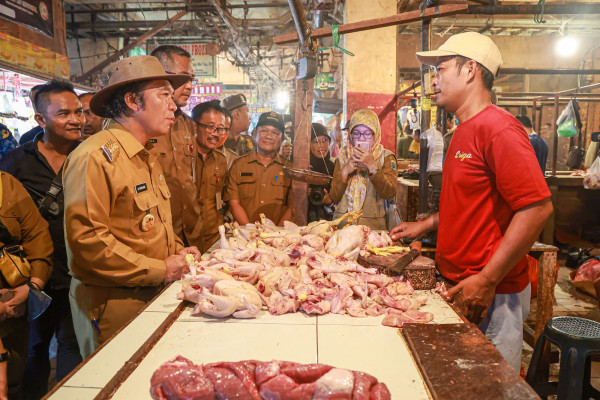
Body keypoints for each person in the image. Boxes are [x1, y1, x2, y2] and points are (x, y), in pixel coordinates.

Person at [391, 32, 553, 371]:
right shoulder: (462, 130)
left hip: (493, 293)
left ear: (469, 70)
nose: (433, 80)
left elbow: (537, 209)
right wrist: (427, 223)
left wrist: (488, 279)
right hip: (463, 284)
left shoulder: (499, 129)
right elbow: (471, 203)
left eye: (440, 69)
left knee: (487, 387)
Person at [63, 55, 200, 358]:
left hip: (150, 292)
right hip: (114, 304)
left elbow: (149, 223)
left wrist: (176, 250)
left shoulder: (144, 155)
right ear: (132, 101)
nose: (173, 105)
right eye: (163, 95)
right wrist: (161, 268)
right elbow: (89, 243)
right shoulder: (95, 157)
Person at [0, 79, 84, 399]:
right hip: (34, 272)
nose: (76, 119)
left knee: (71, 342)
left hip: (80, 269)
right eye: (64, 113)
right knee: (35, 346)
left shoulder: (90, 156)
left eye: (78, 112)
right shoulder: (16, 162)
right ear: (40, 119)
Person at [0, 172, 53, 400]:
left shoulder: (7, 185)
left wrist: (31, 287)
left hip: (12, 308)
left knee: (13, 381)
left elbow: (38, 237)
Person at [150, 45, 199, 247]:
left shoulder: (186, 124)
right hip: (157, 237)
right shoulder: (141, 126)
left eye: (191, 79)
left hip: (190, 233)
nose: (189, 86)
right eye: (183, 78)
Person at [329, 109, 398, 230]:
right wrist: (346, 170)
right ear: (350, 135)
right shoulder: (342, 157)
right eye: (356, 133)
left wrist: (372, 166)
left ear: (375, 135)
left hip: (373, 230)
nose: (362, 138)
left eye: (367, 133)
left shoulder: (386, 157)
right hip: (342, 228)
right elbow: (334, 196)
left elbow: (389, 193)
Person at [225, 111, 292, 225]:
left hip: (279, 237)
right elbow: (234, 203)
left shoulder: (290, 169)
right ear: (255, 133)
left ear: (281, 139)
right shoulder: (239, 165)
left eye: (275, 132)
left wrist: (276, 233)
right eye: (264, 130)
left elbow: (293, 206)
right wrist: (250, 231)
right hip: (245, 236)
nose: (269, 136)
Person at [190, 101, 229, 252]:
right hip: (185, 239)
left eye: (221, 129)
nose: (216, 134)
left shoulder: (221, 160)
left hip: (213, 237)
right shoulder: (182, 157)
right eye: (210, 127)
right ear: (195, 126)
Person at [308, 123, 335, 223]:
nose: (321, 145)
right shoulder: (302, 167)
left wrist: (329, 202)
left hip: (328, 222)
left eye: (324, 140)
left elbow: (341, 207)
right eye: (315, 141)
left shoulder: (334, 167)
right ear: (308, 144)